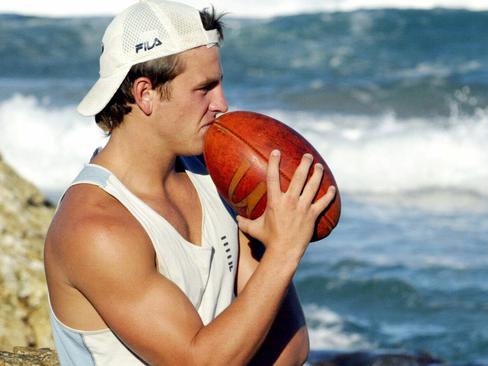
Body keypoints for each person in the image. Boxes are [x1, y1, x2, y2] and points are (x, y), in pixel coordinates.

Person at [43, 1, 336, 365]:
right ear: (145, 93)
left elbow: (290, 351)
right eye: (205, 88)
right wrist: (282, 253)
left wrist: (273, 239)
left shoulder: (215, 180)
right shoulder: (95, 229)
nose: (222, 104)